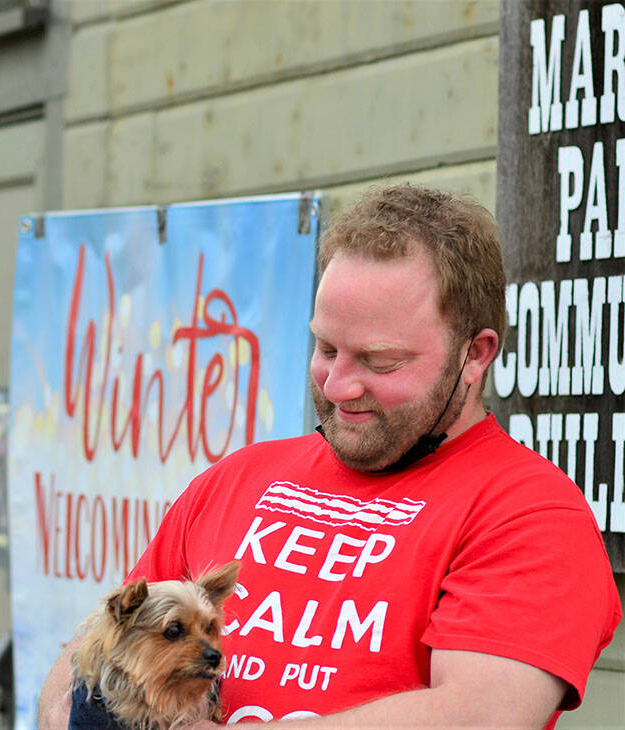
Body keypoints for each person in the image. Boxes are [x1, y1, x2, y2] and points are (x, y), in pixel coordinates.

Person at [38, 184, 620, 728]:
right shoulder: (236, 479)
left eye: (380, 361)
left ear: (475, 355)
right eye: (325, 347)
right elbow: (95, 646)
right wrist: (75, 709)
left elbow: (478, 716)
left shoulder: (530, 515)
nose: (338, 385)